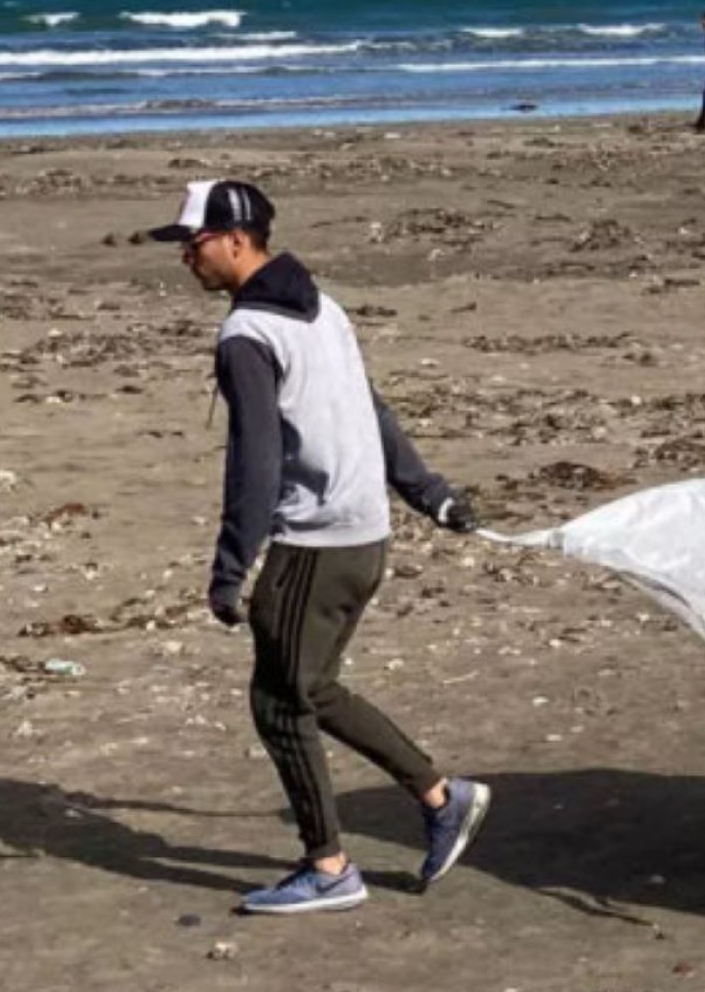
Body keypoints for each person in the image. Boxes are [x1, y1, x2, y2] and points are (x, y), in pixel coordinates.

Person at [149, 180, 490, 914]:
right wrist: (425, 492)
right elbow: (373, 409)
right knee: (314, 686)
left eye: (194, 242)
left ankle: (330, 867)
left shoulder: (247, 336)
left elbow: (256, 459)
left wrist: (231, 565)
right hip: (364, 536)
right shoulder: (325, 308)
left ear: (237, 240)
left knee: (279, 703)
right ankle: (441, 797)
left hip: (315, 542)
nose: (186, 257)